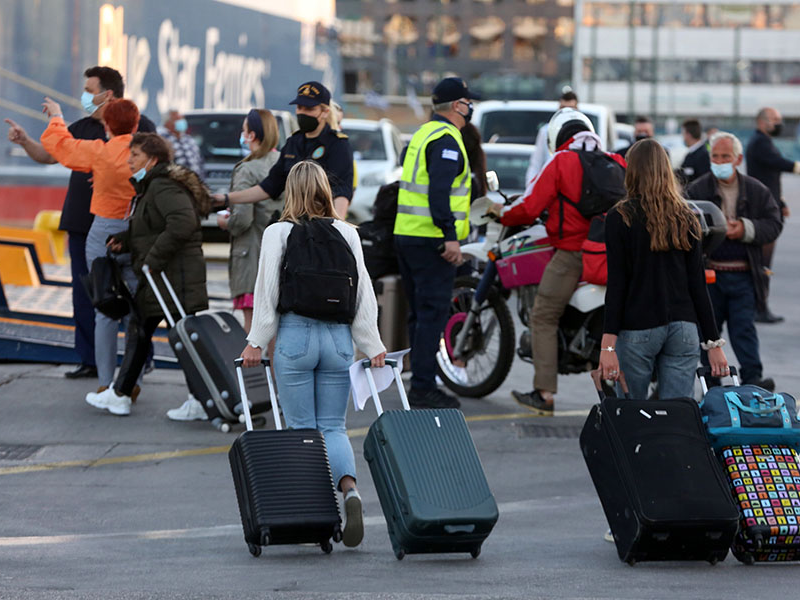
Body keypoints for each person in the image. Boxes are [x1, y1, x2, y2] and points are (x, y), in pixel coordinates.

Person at [239, 160, 386, 548]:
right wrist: (373, 344)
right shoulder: (347, 233)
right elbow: (363, 294)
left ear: (290, 191)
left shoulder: (278, 232)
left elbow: (267, 293)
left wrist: (256, 341)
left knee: (302, 429)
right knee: (333, 427)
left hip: (296, 337)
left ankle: (317, 513)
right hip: (339, 340)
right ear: (325, 191)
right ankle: (350, 491)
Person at [4, 65, 155, 380]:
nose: (85, 96)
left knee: (129, 297)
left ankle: (132, 365)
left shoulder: (139, 131)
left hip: (122, 227)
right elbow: (51, 154)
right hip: (84, 223)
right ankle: (94, 361)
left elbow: (65, 147)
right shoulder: (85, 127)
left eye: (89, 90)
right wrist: (26, 141)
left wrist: (56, 118)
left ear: (107, 95)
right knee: (89, 294)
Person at [489, 108, 626, 413]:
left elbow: (529, 206)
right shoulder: (616, 161)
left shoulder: (561, 161)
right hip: (615, 253)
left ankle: (544, 394)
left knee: (543, 315)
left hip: (573, 253)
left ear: (556, 137)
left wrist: (501, 213)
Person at [598, 138, 729, 402]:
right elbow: (697, 284)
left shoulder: (620, 217)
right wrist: (713, 343)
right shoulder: (687, 217)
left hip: (638, 327)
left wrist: (607, 347)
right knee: (678, 412)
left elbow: (617, 285)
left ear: (632, 171)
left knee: (632, 411)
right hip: (684, 328)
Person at [89, 133, 210, 418]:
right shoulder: (152, 186)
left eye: (136, 155)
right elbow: (152, 227)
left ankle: (201, 400)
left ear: (153, 159)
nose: (129, 160)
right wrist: (126, 240)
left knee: (182, 338)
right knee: (141, 329)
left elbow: (183, 223)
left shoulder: (162, 186)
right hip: (162, 276)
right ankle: (121, 394)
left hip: (174, 276)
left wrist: (153, 259)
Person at [39, 97, 145, 400]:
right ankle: (132, 381)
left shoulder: (100, 151)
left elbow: (61, 146)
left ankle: (105, 383)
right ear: (136, 124)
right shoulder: (146, 155)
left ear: (107, 125)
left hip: (102, 232)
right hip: (138, 232)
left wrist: (57, 116)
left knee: (105, 308)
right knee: (138, 311)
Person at [394, 76, 479, 409]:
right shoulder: (446, 139)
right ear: (457, 105)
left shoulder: (422, 133)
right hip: (431, 241)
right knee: (432, 315)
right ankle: (423, 387)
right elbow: (439, 193)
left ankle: (420, 380)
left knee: (419, 314)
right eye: (468, 102)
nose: (470, 108)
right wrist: (450, 237)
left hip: (407, 235)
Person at [686, 132, 783, 392]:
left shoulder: (756, 190)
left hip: (744, 275)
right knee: (708, 334)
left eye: (725, 157)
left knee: (744, 331)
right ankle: (712, 386)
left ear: (738, 159)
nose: (719, 161)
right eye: (715, 157)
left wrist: (744, 228)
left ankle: (754, 382)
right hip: (709, 276)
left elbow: (774, 224)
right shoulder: (697, 190)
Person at [211, 81, 354, 219]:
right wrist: (225, 198)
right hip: (294, 221)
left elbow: (341, 192)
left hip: (322, 221)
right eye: (299, 108)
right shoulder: (293, 142)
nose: (302, 113)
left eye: (309, 109)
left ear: (325, 112)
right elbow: (269, 187)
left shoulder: (337, 144)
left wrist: (336, 226)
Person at [746, 107, 800, 324]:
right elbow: (779, 164)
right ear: (762, 122)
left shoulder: (764, 142)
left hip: (768, 205)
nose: (779, 123)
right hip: (763, 211)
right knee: (762, 262)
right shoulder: (760, 143)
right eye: (775, 119)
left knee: (763, 262)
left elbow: (770, 176)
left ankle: (760, 305)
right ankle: (759, 307)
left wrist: (781, 202)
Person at [217, 109, 281, 333]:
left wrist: (225, 222)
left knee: (254, 328)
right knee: (277, 326)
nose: (242, 135)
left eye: (244, 130)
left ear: (252, 135)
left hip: (252, 255)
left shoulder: (247, 169)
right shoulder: (285, 163)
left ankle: (252, 360)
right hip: (283, 254)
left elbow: (242, 219)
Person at [525, 90, 579, 186]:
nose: (566, 112)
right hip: (551, 183)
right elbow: (536, 163)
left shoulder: (584, 133)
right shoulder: (546, 131)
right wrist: (530, 187)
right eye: (563, 108)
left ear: (577, 109)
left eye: (570, 108)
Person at [158, 110, 204, 180]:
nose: (182, 121)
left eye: (182, 118)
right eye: (177, 119)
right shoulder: (161, 138)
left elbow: (199, 161)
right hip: (174, 182)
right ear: (167, 122)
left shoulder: (188, 139)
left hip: (193, 182)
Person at [679, 118, 710, 183]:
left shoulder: (704, 155)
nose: (683, 138)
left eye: (683, 134)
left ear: (688, 135)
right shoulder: (690, 154)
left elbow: (704, 181)